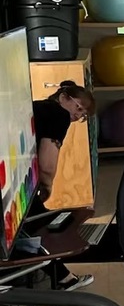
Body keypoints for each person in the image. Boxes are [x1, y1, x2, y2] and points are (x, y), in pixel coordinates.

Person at [29, 81, 96, 291]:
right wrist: (47, 186)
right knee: (40, 225)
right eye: (78, 107)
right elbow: (47, 165)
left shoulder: (38, 106)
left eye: (82, 115)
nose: (77, 116)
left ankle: (62, 276)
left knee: (35, 221)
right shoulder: (59, 114)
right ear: (64, 97)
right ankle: (63, 278)